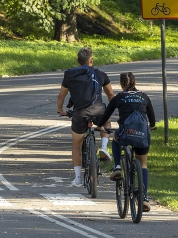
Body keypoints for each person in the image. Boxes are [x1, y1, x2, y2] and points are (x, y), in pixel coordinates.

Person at [94, 72, 157, 211]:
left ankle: (117, 167)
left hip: (126, 134)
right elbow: (152, 118)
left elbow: (106, 114)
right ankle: (144, 197)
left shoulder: (119, 97)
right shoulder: (144, 96)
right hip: (142, 135)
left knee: (116, 138)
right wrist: (152, 126)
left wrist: (99, 126)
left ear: (121, 84)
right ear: (135, 83)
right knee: (143, 164)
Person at [56, 47, 115, 187]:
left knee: (76, 145)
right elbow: (111, 95)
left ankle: (77, 178)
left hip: (80, 113)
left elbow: (61, 96)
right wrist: (112, 109)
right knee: (106, 123)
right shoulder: (100, 74)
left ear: (78, 61)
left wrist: (61, 110)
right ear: (91, 61)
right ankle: (104, 147)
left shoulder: (70, 75)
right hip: (98, 110)